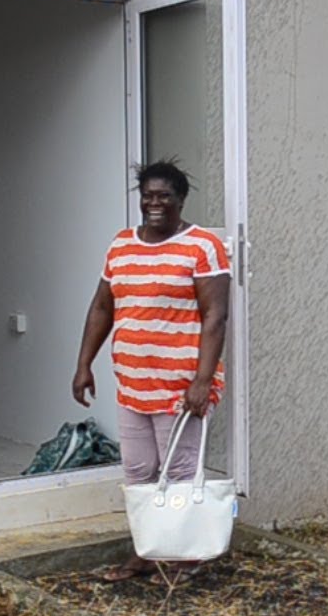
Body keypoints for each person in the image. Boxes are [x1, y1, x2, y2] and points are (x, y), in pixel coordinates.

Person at [71, 159, 231, 584]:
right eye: (148, 196)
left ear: (180, 200)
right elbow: (103, 307)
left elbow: (216, 316)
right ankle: (146, 549)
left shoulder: (202, 246)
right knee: (139, 473)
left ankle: (184, 558)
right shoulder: (121, 245)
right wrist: (84, 363)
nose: (155, 203)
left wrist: (202, 380)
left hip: (181, 388)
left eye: (164, 196)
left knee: (179, 474)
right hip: (133, 384)